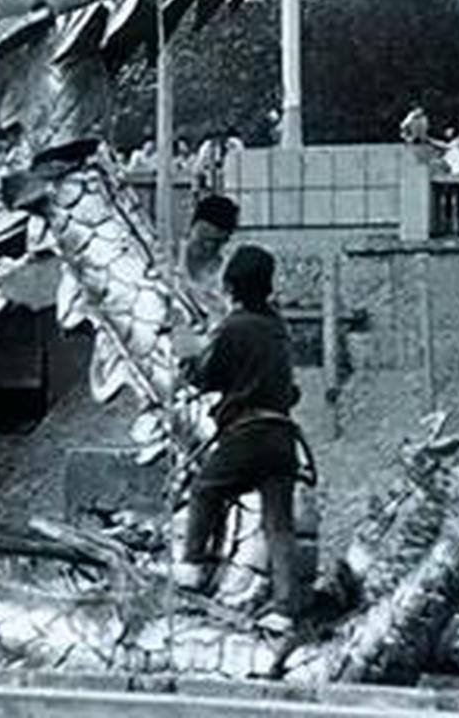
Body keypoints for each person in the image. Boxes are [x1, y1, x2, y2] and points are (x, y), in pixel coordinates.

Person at [175, 244, 302, 633]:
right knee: (278, 524)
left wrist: (187, 355)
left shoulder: (233, 327)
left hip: (246, 434)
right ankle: (285, 609)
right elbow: (290, 388)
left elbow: (204, 377)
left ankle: (193, 567)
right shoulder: (279, 329)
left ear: (231, 286)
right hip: (283, 436)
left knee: (205, 490)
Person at [178, 193, 239, 324]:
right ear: (191, 228)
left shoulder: (228, 273)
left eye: (217, 242)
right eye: (203, 239)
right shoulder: (169, 259)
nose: (208, 246)